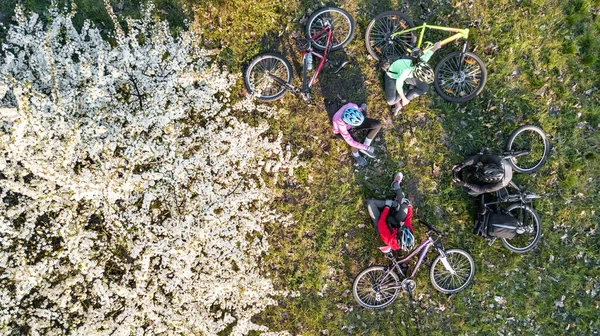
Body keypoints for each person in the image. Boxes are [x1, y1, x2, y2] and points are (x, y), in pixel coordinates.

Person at [383, 42, 442, 115]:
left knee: (425, 88)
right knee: (391, 101)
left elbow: (429, 53)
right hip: (393, 75)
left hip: (409, 75)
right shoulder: (406, 70)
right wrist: (404, 98)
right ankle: (402, 98)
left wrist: (436, 46)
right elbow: (399, 84)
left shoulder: (421, 62)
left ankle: (402, 102)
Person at [366, 172, 415, 251]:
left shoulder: (388, 238)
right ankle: (396, 185)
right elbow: (408, 218)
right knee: (405, 206)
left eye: (402, 226)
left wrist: (387, 207)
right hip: (395, 222)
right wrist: (409, 206)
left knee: (370, 203)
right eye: (404, 226)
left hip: (383, 224)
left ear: (397, 235)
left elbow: (381, 222)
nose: (403, 224)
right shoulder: (408, 230)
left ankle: (393, 204)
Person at [332, 102, 382, 167]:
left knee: (377, 125)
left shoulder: (352, 106)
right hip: (342, 131)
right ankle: (356, 155)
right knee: (355, 142)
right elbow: (351, 142)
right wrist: (367, 148)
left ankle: (365, 144)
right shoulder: (339, 123)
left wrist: (361, 110)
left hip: (353, 123)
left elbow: (358, 110)